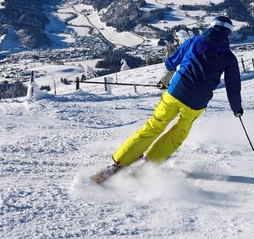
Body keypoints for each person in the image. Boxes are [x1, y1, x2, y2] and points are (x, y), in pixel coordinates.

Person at [98, 16, 243, 178]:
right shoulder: (229, 57)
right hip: (197, 103)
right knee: (178, 133)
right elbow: (233, 87)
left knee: (154, 126)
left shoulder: (194, 42)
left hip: (175, 93)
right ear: (228, 34)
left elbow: (172, 61)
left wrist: (164, 80)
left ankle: (119, 162)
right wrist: (236, 108)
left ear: (210, 27)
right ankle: (150, 165)